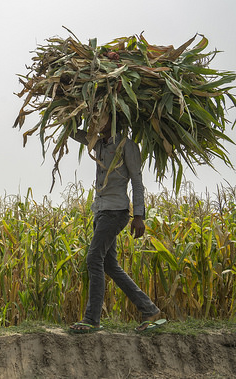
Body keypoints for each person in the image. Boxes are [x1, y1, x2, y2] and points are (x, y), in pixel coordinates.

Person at [68, 114, 164, 333]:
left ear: (114, 120)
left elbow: (138, 183)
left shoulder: (127, 146)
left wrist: (138, 215)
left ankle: (92, 319)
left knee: (94, 258)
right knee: (109, 265)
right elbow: (74, 133)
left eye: (101, 118)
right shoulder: (97, 142)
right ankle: (149, 309)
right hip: (100, 211)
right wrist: (62, 111)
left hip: (116, 212)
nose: (96, 123)